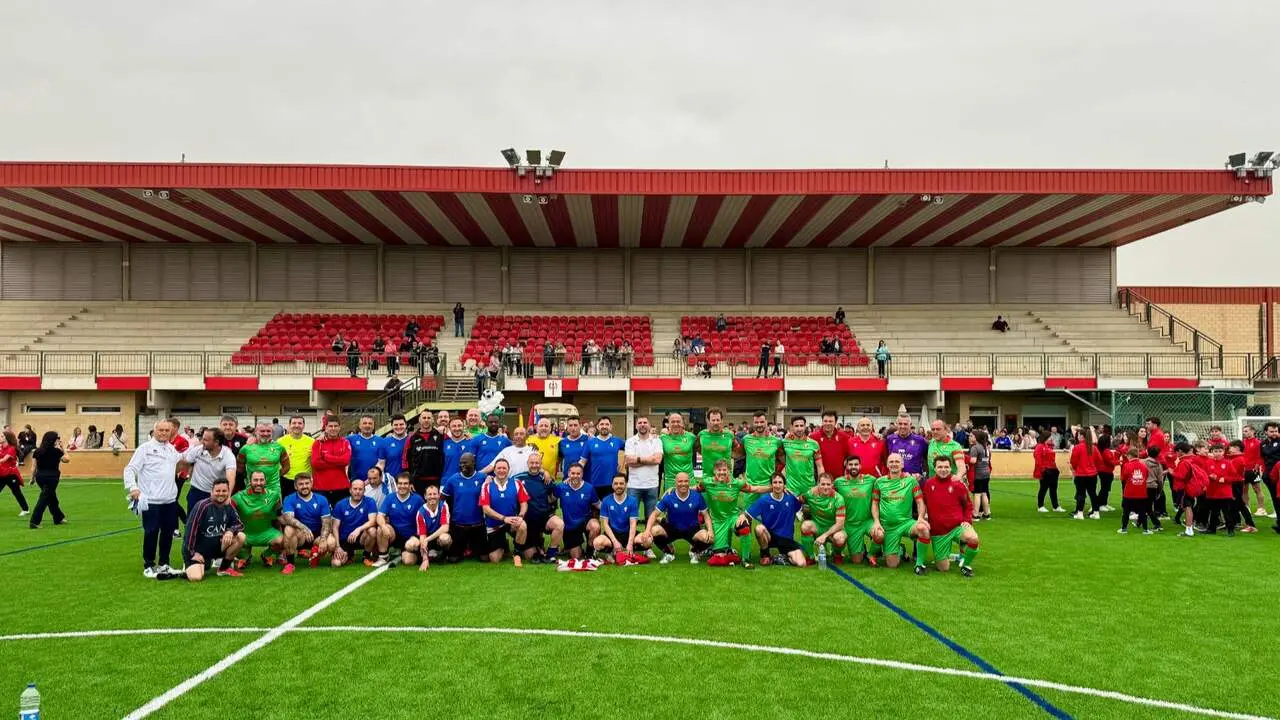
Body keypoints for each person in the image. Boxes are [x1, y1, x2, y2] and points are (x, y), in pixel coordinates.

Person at [122, 421, 181, 576]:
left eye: (167, 430)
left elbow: (181, 461)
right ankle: (149, 565)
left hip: (169, 500)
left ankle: (164, 564)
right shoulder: (145, 449)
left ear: (171, 432)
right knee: (152, 532)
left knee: (168, 532)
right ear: (155, 431)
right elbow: (130, 469)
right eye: (160, 430)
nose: (163, 433)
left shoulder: (171, 449)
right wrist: (133, 488)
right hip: (151, 500)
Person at [916, 457, 980, 577]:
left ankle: (965, 565)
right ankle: (955, 553)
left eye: (946, 467)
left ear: (951, 468)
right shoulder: (928, 484)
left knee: (973, 538)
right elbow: (922, 503)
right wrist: (921, 517)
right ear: (934, 468)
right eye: (940, 467)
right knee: (943, 568)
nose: (943, 470)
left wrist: (967, 520)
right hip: (939, 532)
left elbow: (968, 505)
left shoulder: (958, 484)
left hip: (957, 527)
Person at [639, 471, 712, 564]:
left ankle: (695, 552)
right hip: (672, 528)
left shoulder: (697, 496)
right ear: (675, 483)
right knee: (654, 531)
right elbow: (654, 514)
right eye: (680, 481)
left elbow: (706, 515)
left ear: (689, 482)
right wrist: (647, 530)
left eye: (686, 481)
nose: (683, 484)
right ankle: (668, 553)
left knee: (709, 538)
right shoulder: (669, 497)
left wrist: (710, 530)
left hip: (692, 529)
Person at [870, 454, 929, 569]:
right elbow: (875, 503)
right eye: (891, 462)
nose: (894, 464)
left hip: (906, 523)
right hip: (888, 526)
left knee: (924, 529)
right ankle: (901, 550)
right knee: (892, 565)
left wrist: (921, 517)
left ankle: (919, 564)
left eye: (897, 461)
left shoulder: (911, 481)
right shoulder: (879, 482)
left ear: (902, 464)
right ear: (887, 465)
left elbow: (920, 502)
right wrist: (876, 521)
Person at [182, 478, 246, 581]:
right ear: (212, 492)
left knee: (241, 537)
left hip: (217, 547)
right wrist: (192, 553)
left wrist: (230, 530)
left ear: (228, 492)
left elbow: (240, 525)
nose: (221, 494)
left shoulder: (228, 507)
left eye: (224, 491)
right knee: (196, 577)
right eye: (218, 491)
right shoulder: (202, 506)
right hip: (199, 551)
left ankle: (224, 568)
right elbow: (189, 532)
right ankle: (193, 567)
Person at [743, 473, 806, 567]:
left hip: (786, 539)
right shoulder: (764, 500)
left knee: (801, 563)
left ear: (784, 485)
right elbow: (747, 514)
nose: (777, 485)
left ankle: (780, 558)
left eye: (780, 482)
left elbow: (802, 507)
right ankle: (765, 555)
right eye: (775, 482)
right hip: (770, 536)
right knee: (759, 529)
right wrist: (741, 516)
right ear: (771, 485)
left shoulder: (791, 499)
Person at [513, 452, 563, 563]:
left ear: (541, 464)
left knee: (559, 524)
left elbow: (554, 495)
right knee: (531, 556)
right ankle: (533, 547)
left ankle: (551, 553)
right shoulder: (518, 479)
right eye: (532, 463)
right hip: (527, 519)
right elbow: (504, 484)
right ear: (527, 463)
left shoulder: (546, 478)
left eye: (537, 463)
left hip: (544, 517)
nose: (534, 465)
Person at [280, 473, 336, 572]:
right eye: (301, 484)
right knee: (288, 529)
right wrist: (303, 528)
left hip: (318, 534)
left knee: (331, 543)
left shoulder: (321, 499)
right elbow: (288, 518)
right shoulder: (289, 499)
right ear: (295, 486)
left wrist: (323, 539)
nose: (304, 486)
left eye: (307, 483)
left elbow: (326, 522)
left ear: (311, 483)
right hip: (301, 535)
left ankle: (315, 554)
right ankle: (290, 564)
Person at [479, 458, 529, 565]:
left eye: (504, 468)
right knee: (494, 559)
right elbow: (486, 509)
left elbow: (524, 503)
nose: (501, 470)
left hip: (512, 522)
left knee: (522, 525)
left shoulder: (516, 483)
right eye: (499, 468)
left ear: (508, 469)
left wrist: (520, 516)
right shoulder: (487, 485)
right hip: (495, 526)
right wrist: (503, 518)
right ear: (494, 470)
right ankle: (504, 545)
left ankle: (517, 554)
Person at [180, 428, 237, 521]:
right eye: (203, 438)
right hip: (196, 492)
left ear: (216, 442)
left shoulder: (228, 455)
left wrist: (227, 496)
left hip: (216, 494)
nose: (202, 442)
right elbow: (185, 462)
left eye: (206, 440)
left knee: (214, 522)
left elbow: (230, 476)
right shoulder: (198, 450)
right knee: (192, 521)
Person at [231, 470, 285, 568]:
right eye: (255, 480)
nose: (259, 483)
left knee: (283, 540)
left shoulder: (274, 496)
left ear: (265, 481)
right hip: (245, 534)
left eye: (261, 480)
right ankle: (245, 557)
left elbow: (278, 518)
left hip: (266, 532)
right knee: (229, 541)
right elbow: (228, 513)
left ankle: (266, 555)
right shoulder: (238, 497)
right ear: (249, 481)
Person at [442, 452, 488, 562]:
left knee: (485, 559)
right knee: (453, 559)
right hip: (458, 525)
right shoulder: (453, 479)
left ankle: (473, 548)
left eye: (465, 463)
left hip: (478, 525)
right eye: (460, 463)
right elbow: (442, 498)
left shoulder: (483, 478)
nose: (462, 465)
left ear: (473, 463)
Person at [593, 474, 650, 563]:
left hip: (628, 533)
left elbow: (633, 523)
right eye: (616, 483)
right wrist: (615, 542)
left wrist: (630, 543)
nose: (618, 486)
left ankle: (629, 549)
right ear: (612, 485)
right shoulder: (606, 500)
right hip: (613, 533)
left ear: (626, 484)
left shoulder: (632, 500)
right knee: (597, 543)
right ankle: (611, 552)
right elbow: (605, 524)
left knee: (648, 541)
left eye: (621, 483)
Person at [375, 472, 425, 566]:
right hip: (395, 534)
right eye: (400, 483)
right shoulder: (390, 498)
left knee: (408, 561)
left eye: (405, 483)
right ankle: (383, 557)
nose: (402, 486)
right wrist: (383, 526)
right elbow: (380, 515)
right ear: (396, 484)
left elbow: (425, 519)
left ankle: (408, 552)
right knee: (381, 528)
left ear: (410, 485)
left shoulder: (417, 499)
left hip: (412, 536)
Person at [835, 456, 877, 565]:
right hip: (849, 524)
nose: (853, 467)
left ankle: (871, 554)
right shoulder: (839, 482)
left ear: (860, 466)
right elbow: (824, 489)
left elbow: (886, 482)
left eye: (856, 464)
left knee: (879, 535)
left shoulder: (871, 480)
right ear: (846, 466)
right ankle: (859, 550)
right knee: (856, 561)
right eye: (851, 464)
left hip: (867, 521)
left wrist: (905, 475)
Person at [554, 463, 601, 559]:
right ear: (568, 473)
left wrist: (612, 508)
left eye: (578, 474)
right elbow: (550, 499)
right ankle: (570, 548)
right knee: (576, 556)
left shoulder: (589, 488)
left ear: (582, 474)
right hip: (569, 525)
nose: (575, 476)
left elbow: (598, 505)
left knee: (595, 526)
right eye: (573, 473)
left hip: (585, 521)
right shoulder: (561, 487)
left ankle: (590, 551)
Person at [798, 473, 846, 562]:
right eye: (823, 484)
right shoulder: (810, 494)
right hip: (818, 527)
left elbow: (840, 524)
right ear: (818, 484)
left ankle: (836, 554)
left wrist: (824, 535)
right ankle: (810, 557)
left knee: (840, 538)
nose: (826, 487)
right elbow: (799, 499)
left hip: (834, 529)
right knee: (805, 526)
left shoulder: (839, 499)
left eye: (828, 484)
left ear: (832, 485)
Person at [331, 478, 380, 567]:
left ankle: (366, 556)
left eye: (360, 489)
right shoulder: (340, 504)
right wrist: (337, 546)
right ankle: (349, 555)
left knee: (372, 531)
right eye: (355, 489)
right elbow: (335, 527)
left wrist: (358, 529)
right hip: (345, 539)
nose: (357, 492)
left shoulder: (370, 502)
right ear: (350, 490)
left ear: (364, 490)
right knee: (336, 564)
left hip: (361, 537)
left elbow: (372, 521)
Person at [626, 416, 664, 525]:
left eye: (645, 422)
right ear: (636, 425)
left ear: (649, 425)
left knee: (651, 520)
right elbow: (629, 462)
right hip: (634, 485)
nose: (642, 424)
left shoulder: (656, 441)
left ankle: (649, 541)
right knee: (631, 519)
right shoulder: (630, 441)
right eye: (640, 422)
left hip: (652, 485)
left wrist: (637, 459)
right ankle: (631, 541)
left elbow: (657, 460)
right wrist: (649, 459)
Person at [239, 421, 290, 501]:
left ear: (272, 432)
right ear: (256, 432)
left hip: (273, 489)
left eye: (268, 431)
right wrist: (250, 477)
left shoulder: (279, 447)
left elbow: (287, 467)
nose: (265, 434)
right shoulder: (246, 448)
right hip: (252, 488)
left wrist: (275, 475)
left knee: (275, 512)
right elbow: (239, 468)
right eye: (262, 431)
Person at [311, 416, 353, 506]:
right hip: (320, 488)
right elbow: (315, 464)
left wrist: (326, 457)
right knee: (322, 518)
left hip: (341, 487)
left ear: (340, 427)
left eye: (336, 426)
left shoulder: (345, 442)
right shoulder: (318, 443)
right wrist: (338, 462)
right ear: (325, 427)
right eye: (330, 426)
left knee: (341, 517)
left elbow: (345, 461)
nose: (333, 428)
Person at [1118, 447, 1160, 534]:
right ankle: (1145, 529)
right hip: (1141, 493)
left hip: (1129, 493)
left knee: (1126, 511)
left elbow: (1123, 478)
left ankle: (1124, 529)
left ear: (1130, 455)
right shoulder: (1143, 466)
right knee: (1142, 512)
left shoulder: (1127, 465)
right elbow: (1146, 476)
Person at [403, 411, 444, 494]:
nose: (426, 420)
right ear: (419, 420)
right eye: (424, 418)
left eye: (429, 418)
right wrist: (409, 481)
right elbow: (405, 460)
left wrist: (466, 435)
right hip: (417, 481)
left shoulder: (441, 435)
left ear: (433, 420)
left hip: (436, 480)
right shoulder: (412, 438)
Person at [584, 416, 625, 500]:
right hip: (595, 483)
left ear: (611, 426)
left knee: (611, 511)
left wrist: (623, 465)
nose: (604, 426)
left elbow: (631, 448)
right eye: (602, 424)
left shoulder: (617, 441)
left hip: (613, 484)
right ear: (597, 427)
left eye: (607, 424)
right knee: (595, 511)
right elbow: (582, 461)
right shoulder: (590, 442)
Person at [413, 485, 453, 570]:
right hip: (427, 539)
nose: (432, 496)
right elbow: (422, 536)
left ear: (439, 495)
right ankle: (427, 556)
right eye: (429, 494)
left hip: (437, 537)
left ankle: (443, 555)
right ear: (425, 496)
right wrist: (425, 559)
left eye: (434, 494)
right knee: (409, 553)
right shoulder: (420, 512)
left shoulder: (443, 505)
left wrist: (427, 539)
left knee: (445, 538)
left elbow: (445, 527)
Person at [695, 408, 737, 483]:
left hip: (726, 478)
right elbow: (697, 449)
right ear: (708, 421)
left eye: (718, 420)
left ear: (722, 420)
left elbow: (736, 450)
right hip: (707, 478)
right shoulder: (701, 435)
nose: (715, 423)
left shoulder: (730, 435)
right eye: (713, 420)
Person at [1069, 427, 1102, 520]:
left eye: (1079, 435)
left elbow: (1073, 461)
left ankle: (1080, 513)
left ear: (1082, 436)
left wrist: (1076, 469)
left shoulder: (1077, 447)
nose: (1077, 436)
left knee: (1081, 494)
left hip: (1081, 474)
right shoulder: (1093, 447)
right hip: (1092, 474)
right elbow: (1099, 460)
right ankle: (1096, 512)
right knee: (1093, 493)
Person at [277, 416, 313, 499]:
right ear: (289, 425)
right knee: (287, 508)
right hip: (286, 480)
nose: (297, 425)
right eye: (294, 423)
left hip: (304, 481)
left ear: (304, 425)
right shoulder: (280, 442)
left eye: (300, 423)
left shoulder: (311, 442)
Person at [809, 412, 850, 485]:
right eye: (825, 421)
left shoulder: (845, 437)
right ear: (822, 422)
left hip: (839, 481)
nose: (828, 423)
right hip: (820, 482)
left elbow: (849, 457)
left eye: (830, 421)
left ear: (835, 423)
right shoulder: (813, 438)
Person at [346, 415, 383, 484]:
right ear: (360, 426)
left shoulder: (380, 441)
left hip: (373, 482)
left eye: (370, 423)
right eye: (364, 423)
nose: (367, 425)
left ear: (373, 426)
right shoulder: (350, 439)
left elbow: (381, 462)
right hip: (355, 481)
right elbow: (336, 440)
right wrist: (324, 434)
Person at [0, 430, 29, 516]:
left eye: (2, 436)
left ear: (7, 438)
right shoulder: (1, 447)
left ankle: (25, 509)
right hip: (1, 474)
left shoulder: (11, 448)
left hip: (11, 474)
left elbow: (3, 460)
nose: (0, 437)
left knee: (16, 492)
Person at [1033, 433, 1064, 512]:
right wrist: (1043, 470)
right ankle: (1040, 506)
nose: (1051, 438)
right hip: (1046, 470)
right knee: (1043, 488)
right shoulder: (1039, 446)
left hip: (1053, 469)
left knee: (1053, 489)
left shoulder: (1047, 446)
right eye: (1050, 437)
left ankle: (1055, 506)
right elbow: (1038, 459)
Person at [441, 417, 476, 481]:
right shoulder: (444, 443)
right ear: (449, 428)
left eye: (459, 426)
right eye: (454, 426)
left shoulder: (472, 443)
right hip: (446, 482)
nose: (457, 429)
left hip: (467, 482)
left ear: (464, 427)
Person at [969, 429, 992, 520]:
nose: (970, 437)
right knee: (984, 493)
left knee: (977, 494)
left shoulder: (975, 447)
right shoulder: (985, 447)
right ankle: (986, 513)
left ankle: (975, 514)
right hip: (986, 473)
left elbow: (973, 461)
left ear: (977, 437)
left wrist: (964, 457)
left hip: (978, 474)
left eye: (972, 436)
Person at [1095, 433, 1118, 513]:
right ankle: (1100, 504)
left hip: (1104, 471)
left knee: (1105, 489)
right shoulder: (1106, 451)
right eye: (1110, 439)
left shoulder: (1102, 450)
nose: (1111, 440)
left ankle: (1104, 503)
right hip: (1106, 472)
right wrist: (1119, 461)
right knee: (1105, 489)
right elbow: (1110, 462)